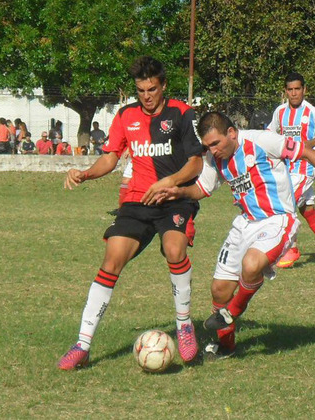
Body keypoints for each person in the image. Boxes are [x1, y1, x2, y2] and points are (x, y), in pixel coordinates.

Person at [141, 111, 315, 359]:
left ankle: (232, 312)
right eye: (207, 146)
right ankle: (226, 346)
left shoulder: (261, 141)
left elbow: (308, 152)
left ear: (232, 133)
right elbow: (202, 188)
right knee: (219, 290)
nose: (212, 150)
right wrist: (178, 192)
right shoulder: (214, 159)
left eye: (215, 143)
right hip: (245, 223)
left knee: (252, 264)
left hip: (278, 219)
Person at [57, 56, 204, 370]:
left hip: (175, 198)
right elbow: (110, 159)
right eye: (141, 91)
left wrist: (171, 182)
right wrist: (85, 173)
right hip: (137, 201)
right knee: (112, 259)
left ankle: (184, 325)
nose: (147, 96)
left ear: (163, 85)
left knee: (174, 250)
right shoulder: (125, 115)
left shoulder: (181, 113)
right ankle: (82, 345)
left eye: (152, 89)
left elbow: (196, 163)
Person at [268, 72, 315, 270]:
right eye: (290, 90)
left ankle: (291, 248)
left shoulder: (312, 111)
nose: (294, 93)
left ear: (304, 90)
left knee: (286, 205)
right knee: (307, 210)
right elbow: (270, 132)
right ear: (286, 92)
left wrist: (310, 144)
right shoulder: (280, 112)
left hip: (305, 168)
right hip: (287, 168)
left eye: (297, 89)